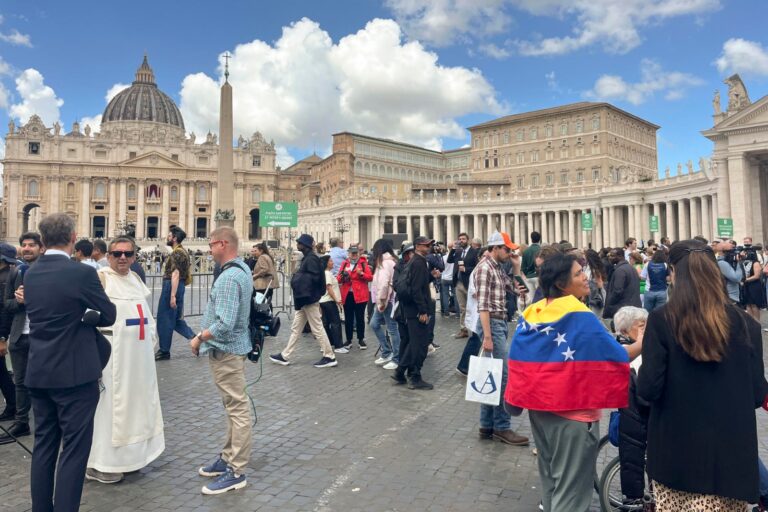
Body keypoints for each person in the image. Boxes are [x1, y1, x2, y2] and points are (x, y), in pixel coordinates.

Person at [637, 240, 768, 510]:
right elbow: (757, 394)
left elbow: (648, 389)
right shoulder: (748, 325)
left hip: (677, 458)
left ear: (674, 272)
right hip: (732, 460)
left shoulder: (662, 321)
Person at [506, 252, 638, 512]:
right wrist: (647, 339)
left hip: (541, 411)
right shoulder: (579, 314)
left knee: (552, 484)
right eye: (579, 274)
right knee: (574, 493)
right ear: (562, 284)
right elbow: (618, 355)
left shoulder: (534, 311)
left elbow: (520, 358)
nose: (586, 278)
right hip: (574, 416)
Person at [24, 213, 117, 512]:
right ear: (73, 237)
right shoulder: (81, 274)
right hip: (75, 376)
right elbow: (109, 314)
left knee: (44, 448)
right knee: (75, 452)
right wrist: (87, 317)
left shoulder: (31, 273)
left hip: (39, 373)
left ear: (42, 240)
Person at [86, 237, 164, 484]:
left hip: (139, 359)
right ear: (108, 255)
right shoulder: (101, 279)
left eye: (128, 254)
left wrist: (151, 340)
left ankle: (133, 458)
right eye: (117, 253)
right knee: (109, 410)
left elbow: (146, 316)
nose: (122, 258)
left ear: (134, 257)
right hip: (112, 358)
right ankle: (101, 463)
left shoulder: (136, 279)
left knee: (138, 406)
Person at [190, 227, 253, 495]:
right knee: (232, 406)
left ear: (223, 244)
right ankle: (227, 457)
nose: (209, 249)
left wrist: (199, 338)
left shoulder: (228, 279)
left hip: (226, 350)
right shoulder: (243, 271)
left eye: (212, 244)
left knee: (237, 409)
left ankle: (236, 470)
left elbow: (225, 323)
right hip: (232, 349)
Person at [474, 232, 529, 446]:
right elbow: (483, 305)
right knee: (503, 377)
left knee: (492, 374)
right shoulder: (485, 268)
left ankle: (486, 425)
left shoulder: (497, 267)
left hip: (499, 323)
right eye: (507, 249)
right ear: (495, 247)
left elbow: (517, 290)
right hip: (492, 325)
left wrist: (516, 268)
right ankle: (502, 427)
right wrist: (487, 335)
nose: (510, 252)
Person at [0, 232, 44, 445]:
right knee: (20, 382)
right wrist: (19, 302)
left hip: (41, 336)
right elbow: (6, 305)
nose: (27, 248)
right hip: (19, 335)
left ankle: (47, 421)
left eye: (32, 245)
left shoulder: (47, 272)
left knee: (44, 380)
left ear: (41, 248)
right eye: (24, 245)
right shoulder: (14, 273)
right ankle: (21, 421)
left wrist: (33, 299)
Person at [270, 234, 338, 368]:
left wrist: (297, 278)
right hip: (304, 300)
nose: (297, 245)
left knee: (317, 327)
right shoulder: (308, 258)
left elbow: (312, 279)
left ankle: (329, 356)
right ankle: (285, 355)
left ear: (305, 245)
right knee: (296, 328)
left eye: (299, 243)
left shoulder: (311, 259)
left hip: (309, 299)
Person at [612, 306, 649, 507]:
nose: (647, 330)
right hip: (636, 417)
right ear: (625, 330)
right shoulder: (632, 351)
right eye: (642, 326)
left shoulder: (627, 346)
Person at [392, 236, 435, 390]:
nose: (429, 246)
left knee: (413, 343)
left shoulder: (414, 261)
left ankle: (400, 371)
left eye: (429, 244)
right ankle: (414, 376)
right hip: (416, 310)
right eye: (426, 244)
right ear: (417, 246)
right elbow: (417, 289)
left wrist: (430, 276)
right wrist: (423, 310)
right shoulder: (418, 262)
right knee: (420, 344)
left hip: (410, 308)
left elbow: (417, 283)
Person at [154, 226, 195, 360]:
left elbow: (176, 274)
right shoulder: (183, 251)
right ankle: (197, 339)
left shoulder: (177, 253)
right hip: (179, 286)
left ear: (175, 238)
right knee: (176, 320)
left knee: (164, 318)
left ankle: (164, 350)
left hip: (171, 286)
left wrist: (172, 295)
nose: (167, 237)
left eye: (169, 235)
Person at [369, 239, 400, 370]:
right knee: (374, 324)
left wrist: (381, 301)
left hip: (386, 300)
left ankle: (397, 357)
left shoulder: (385, 263)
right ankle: (387, 352)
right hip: (385, 299)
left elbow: (383, 283)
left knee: (392, 329)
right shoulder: (389, 261)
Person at [337, 245, 372, 350]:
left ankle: (361, 339)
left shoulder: (363, 263)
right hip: (347, 294)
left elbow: (370, 277)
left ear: (359, 253)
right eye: (352, 253)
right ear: (348, 253)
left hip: (360, 294)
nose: (354, 255)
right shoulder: (344, 264)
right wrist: (343, 277)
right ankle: (348, 340)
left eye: (356, 253)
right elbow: (338, 278)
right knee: (348, 318)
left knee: (360, 317)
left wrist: (361, 273)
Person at [447, 232, 479, 338]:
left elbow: (477, 267)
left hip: (469, 284)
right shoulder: (458, 251)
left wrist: (466, 269)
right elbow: (449, 260)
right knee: (462, 308)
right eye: (460, 239)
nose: (461, 241)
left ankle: (475, 329)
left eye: (463, 239)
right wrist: (452, 249)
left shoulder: (474, 252)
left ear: (468, 240)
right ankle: (463, 329)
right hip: (458, 283)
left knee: (473, 307)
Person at [0, 243, 18, 422]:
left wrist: (2, 337)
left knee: (2, 372)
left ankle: (13, 406)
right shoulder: (8, 274)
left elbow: (4, 309)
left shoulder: (4, 278)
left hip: (2, 330)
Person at [603, 247, 642, 322]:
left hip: (624, 309)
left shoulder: (620, 271)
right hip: (632, 307)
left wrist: (609, 304)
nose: (610, 258)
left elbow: (617, 291)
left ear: (620, 256)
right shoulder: (630, 268)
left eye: (612, 256)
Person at [318, 255, 344, 351]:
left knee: (326, 323)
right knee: (335, 323)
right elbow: (329, 288)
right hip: (329, 301)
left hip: (323, 301)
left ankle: (327, 344)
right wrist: (336, 300)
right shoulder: (327, 273)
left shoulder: (324, 273)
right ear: (326, 263)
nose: (333, 262)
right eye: (330, 261)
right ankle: (338, 346)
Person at [740, 247, 765, 322]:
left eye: (746, 252)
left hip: (754, 285)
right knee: (748, 304)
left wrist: (745, 280)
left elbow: (756, 276)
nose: (744, 254)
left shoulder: (755, 263)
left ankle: (757, 322)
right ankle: (750, 322)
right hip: (746, 285)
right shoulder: (744, 262)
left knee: (754, 304)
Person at [716, 239, 741, 304]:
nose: (734, 252)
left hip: (730, 296)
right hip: (728, 296)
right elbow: (737, 278)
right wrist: (739, 262)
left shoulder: (725, 262)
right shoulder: (722, 263)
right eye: (731, 250)